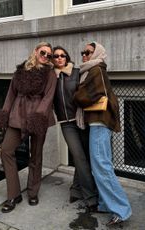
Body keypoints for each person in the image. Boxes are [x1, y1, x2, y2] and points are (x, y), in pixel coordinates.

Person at [74, 42, 132, 226]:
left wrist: (75, 94)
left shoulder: (96, 69)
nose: (84, 55)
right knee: (100, 166)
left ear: (97, 53)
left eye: (88, 52)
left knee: (102, 167)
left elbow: (85, 96)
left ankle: (121, 210)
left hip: (100, 122)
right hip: (97, 122)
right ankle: (106, 204)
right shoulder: (90, 70)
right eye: (82, 52)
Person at [0, 42, 57, 213]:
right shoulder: (20, 70)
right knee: (6, 150)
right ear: (36, 51)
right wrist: (5, 115)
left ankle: (33, 192)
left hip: (39, 117)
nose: (45, 56)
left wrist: (37, 117)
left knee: (35, 156)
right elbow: (10, 95)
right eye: (43, 52)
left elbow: (48, 98)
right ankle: (14, 194)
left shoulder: (50, 74)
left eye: (49, 55)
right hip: (17, 115)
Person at [52, 46, 98, 209]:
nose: (59, 58)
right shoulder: (51, 78)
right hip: (66, 123)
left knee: (84, 157)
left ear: (67, 57)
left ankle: (76, 190)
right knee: (79, 157)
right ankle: (91, 196)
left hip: (82, 120)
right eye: (56, 56)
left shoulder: (77, 72)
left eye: (62, 55)